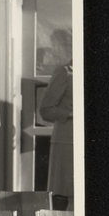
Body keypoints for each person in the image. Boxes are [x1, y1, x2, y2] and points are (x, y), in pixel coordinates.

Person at [40, 52, 73, 205]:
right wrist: (71, 113)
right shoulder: (64, 72)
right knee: (63, 193)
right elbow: (46, 110)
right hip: (67, 142)